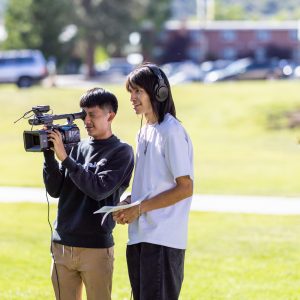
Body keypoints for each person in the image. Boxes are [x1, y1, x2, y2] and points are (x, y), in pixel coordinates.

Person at [43, 87, 134, 300]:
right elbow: (55, 190)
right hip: (62, 245)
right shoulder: (75, 147)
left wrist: (65, 158)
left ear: (110, 115)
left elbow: (98, 189)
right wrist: (49, 156)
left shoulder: (122, 152)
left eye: (92, 114)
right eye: (84, 114)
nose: (86, 121)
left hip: (95, 248)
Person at [113, 63, 194, 300]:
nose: (132, 98)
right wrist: (129, 202)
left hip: (162, 241)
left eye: (138, 91)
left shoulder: (172, 131)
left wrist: (139, 208)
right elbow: (152, 185)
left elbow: (185, 187)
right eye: (131, 92)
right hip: (139, 238)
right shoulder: (145, 132)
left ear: (159, 92)